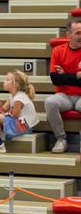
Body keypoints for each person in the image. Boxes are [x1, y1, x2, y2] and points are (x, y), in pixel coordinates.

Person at [44, 18, 81, 152]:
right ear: (68, 35)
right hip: (64, 95)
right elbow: (55, 79)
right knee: (49, 102)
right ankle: (61, 139)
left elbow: (61, 78)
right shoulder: (58, 51)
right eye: (77, 33)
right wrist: (77, 75)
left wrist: (65, 75)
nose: (80, 36)